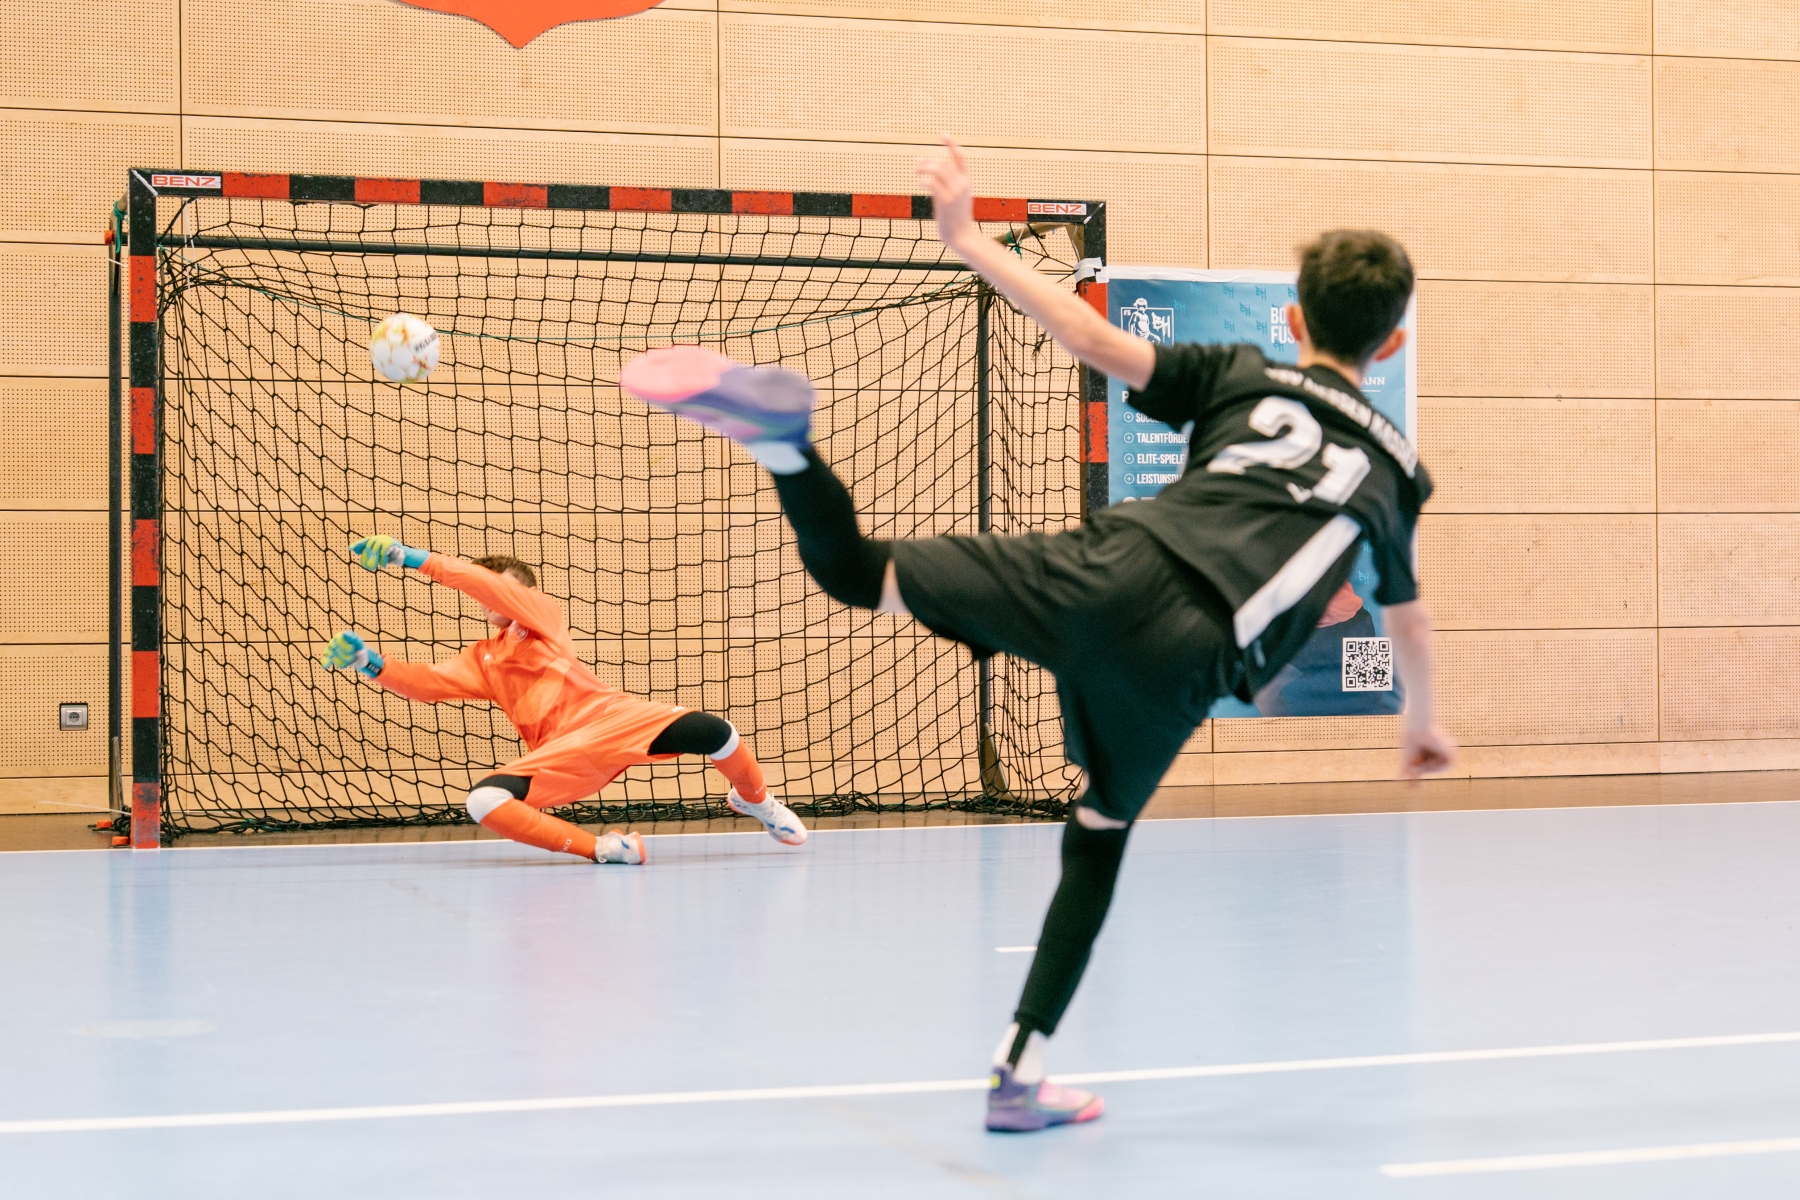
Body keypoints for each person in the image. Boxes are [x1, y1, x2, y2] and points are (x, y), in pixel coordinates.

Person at [618, 135, 1456, 1131]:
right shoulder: (1396, 471)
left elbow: (1088, 336)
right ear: (1391, 345)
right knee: (1096, 842)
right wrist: (1422, 725)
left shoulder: (1246, 375)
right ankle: (1019, 1073)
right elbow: (1406, 615)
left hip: (1106, 567)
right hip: (1187, 659)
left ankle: (785, 446)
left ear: (1294, 319)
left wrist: (969, 239)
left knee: (855, 573)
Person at [319, 538, 808, 863]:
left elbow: (486, 584)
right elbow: (426, 683)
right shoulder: (484, 658)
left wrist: (410, 558)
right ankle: (605, 850)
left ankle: (756, 801)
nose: (494, 596)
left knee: (716, 733)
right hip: (562, 752)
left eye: (505, 589)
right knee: (484, 801)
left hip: (612, 717)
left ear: (527, 594)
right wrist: (370, 662)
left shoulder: (542, 617)